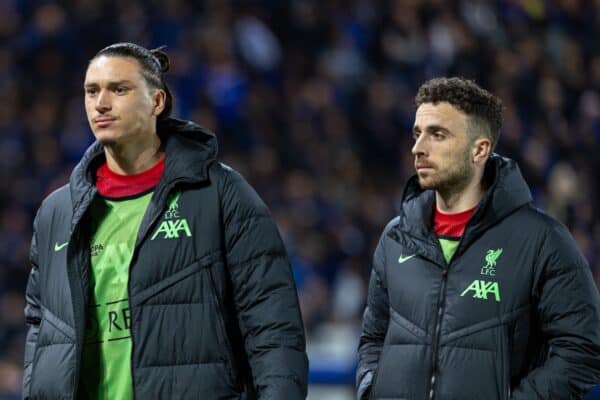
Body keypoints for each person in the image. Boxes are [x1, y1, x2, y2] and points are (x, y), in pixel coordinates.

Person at [22, 42, 308, 400]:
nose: (101, 103)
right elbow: (41, 328)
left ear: (157, 101)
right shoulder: (56, 213)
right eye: (91, 91)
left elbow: (273, 324)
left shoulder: (220, 194)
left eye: (119, 89)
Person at [356, 77, 600, 400]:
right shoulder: (395, 237)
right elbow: (373, 338)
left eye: (437, 135)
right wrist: (372, 388)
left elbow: (582, 348)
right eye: (417, 134)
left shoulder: (543, 240)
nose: (418, 148)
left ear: (480, 149)